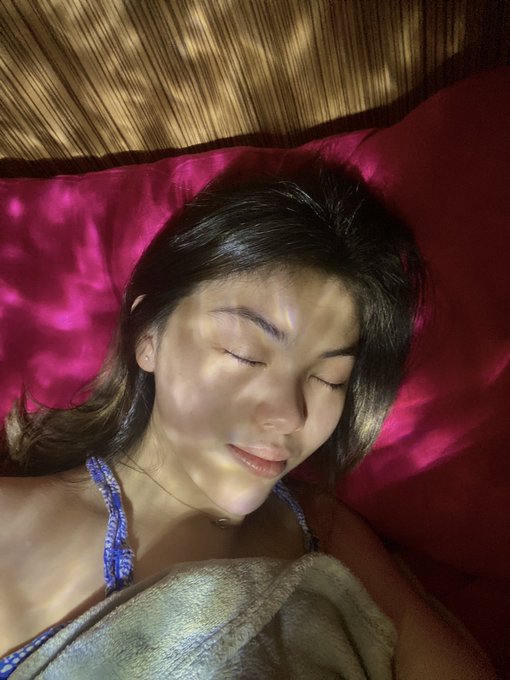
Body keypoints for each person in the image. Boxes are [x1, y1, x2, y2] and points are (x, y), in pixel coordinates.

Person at [0, 167, 497, 679]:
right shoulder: (10, 531)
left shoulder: (322, 526)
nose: (290, 415)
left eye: (329, 379)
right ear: (147, 335)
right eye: (244, 353)